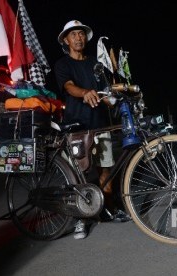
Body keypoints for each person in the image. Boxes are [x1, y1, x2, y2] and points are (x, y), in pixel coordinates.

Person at [54, 20, 128, 240]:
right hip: (77, 126)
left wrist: (119, 97)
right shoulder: (63, 65)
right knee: (80, 174)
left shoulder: (96, 64)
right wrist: (85, 92)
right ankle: (80, 218)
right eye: (74, 35)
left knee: (106, 169)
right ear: (66, 40)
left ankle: (108, 210)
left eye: (81, 34)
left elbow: (106, 92)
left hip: (100, 124)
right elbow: (68, 87)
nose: (79, 38)